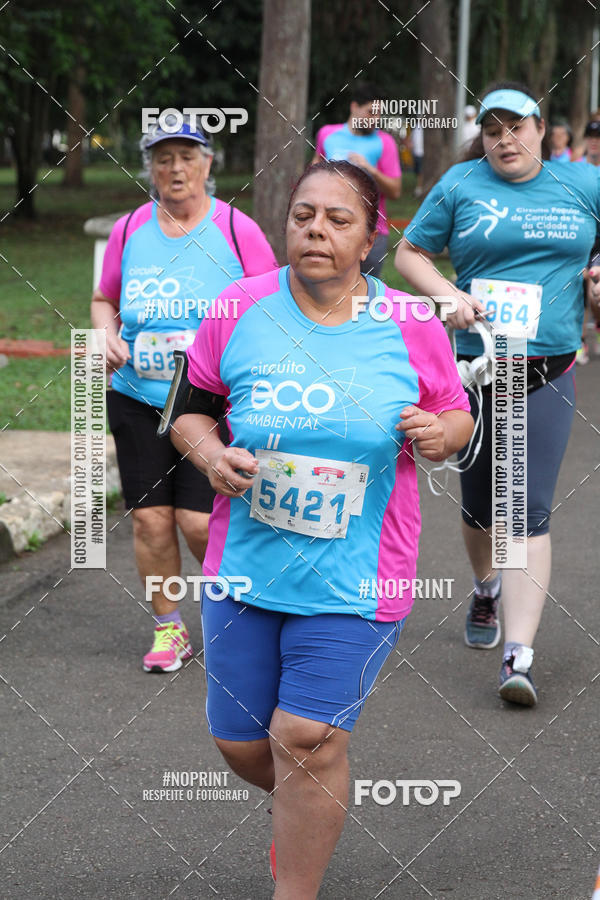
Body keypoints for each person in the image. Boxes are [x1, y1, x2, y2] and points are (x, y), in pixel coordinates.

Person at [169, 160, 472, 896]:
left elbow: (456, 413)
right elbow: (188, 411)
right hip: (246, 564)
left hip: (358, 574)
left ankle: (295, 882)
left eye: (339, 220)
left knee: (303, 740)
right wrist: (210, 454)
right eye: (304, 215)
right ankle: (304, 815)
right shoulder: (236, 307)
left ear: (371, 237)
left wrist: (440, 433)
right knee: (243, 745)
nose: (317, 230)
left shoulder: (410, 322)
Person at [395, 81, 600, 707]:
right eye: (492, 130)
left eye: (517, 127)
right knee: (483, 506)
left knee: (528, 509)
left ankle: (520, 655)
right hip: (477, 369)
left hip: (547, 370)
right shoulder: (461, 185)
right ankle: (485, 586)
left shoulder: (585, 184)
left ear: (543, 129)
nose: (505, 140)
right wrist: (447, 295)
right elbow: (409, 252)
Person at [90, 115, 277, 673]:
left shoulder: (236, 228)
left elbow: (269, 301)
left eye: (187, 156)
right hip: (137, 394)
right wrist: (105, 331)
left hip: (206, 402)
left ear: (208, 163)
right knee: (150, 520)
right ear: (149, 165)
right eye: (163, 157)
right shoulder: (128, 230)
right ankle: (169, 628)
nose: (175, 168)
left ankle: (242, 611)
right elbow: (104, 299)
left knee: (200, 522)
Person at [312, 81, 401, 277]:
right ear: (354, 107)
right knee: (327, 287)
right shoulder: (327, 134)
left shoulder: (385, 142)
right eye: (371, 112)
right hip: (330, 226)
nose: (375, 119)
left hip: (371, 231)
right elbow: (312, 175)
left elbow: (395, 191)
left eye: (379, 114)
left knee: (364, 296)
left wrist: (371, 170)